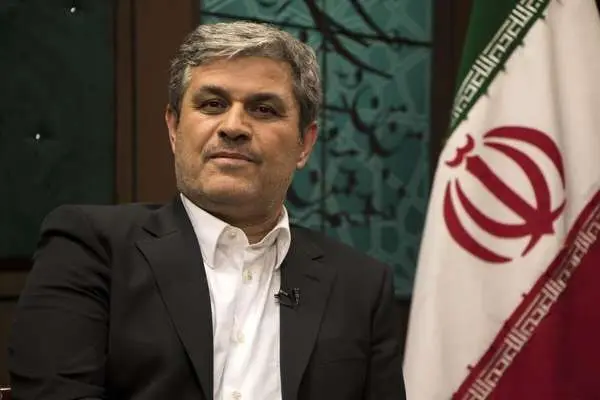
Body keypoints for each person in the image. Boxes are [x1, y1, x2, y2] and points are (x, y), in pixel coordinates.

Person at [8, 21, 406, 400]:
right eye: (213, 104)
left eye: (264, 109)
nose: (234, 126)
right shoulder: (91, 248)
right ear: (173, 128)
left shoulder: (361, 286)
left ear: (305, 143)